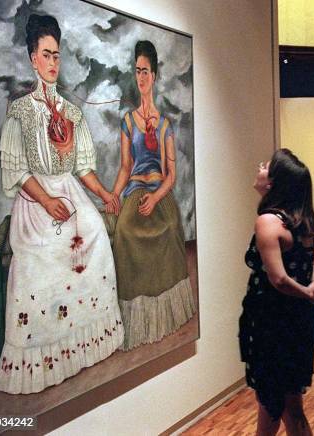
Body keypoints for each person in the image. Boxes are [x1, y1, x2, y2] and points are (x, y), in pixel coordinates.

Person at [0, 14, 124, 394]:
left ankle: (86, 344)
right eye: (46, 55)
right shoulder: (20, 111)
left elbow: (82, 167)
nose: (53, 63)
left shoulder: (71, 112)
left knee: (96, 234)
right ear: (32, 58)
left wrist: (103, 194)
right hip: (36, 202)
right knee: (44, 254)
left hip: (70, 193)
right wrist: (47, 199)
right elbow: (17, 171)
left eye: (57, 55)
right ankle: (44, 357)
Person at [239, 149, 314, 436]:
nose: (260, 165)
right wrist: (313, 287)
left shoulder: (268, 222)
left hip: (272, 321)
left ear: (273, 182)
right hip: (298, 319)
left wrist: (308, 292)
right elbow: (312, 262)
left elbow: (278, 279)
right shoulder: (300, 220)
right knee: (286, 403)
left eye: (267, 165)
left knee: (274, 402)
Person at [108, 40, 195, 350]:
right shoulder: (128, 121)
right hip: (134, 191)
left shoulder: (165, 126)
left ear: (155, 76)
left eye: (145, 71)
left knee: (170, 228)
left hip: (159, 193)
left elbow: (171, 174)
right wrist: (112, 197)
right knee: (126, 232)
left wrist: (157, 197)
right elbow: (124, 168)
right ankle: (133, 321)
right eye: (137, 71)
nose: (141, 77)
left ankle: (165, 316)